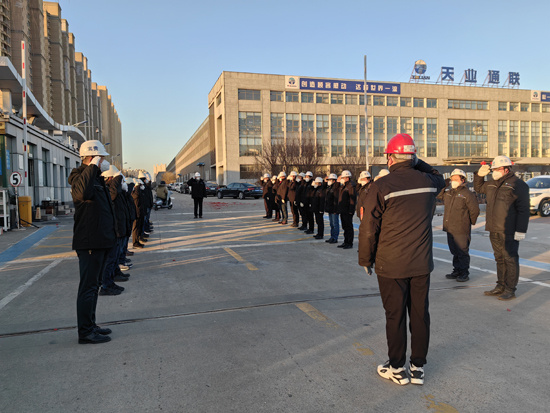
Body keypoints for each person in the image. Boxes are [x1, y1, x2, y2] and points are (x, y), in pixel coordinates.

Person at [358, 133, 445, 386]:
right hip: (421, 263)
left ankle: (397, 368)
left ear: (390, 157)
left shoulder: (382, 186)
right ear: (413, 157)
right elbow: (439, 176)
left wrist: (366, 259)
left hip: (391, 264)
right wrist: (416, 162)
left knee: (395, 316)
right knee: (419, 315)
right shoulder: (428, 182)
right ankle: (417, 368)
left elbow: (368, 228)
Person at [68, 140, 116, 344]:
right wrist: (93, 166)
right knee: (87, 288)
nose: (104, 161)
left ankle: (91, 324)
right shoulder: (80, 177)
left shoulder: (95, 178)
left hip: (100, 241)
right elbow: (82, 193)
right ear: (92, 157)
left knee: (94, 286)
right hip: (89, 242)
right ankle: (85, 332)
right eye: (101, 157)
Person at [474, 156, 530, 300]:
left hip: (508, 230)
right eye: (493, 169)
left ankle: (510, 289)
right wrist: (479, 175)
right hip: (493, 228)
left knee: (510, 259)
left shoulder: (518, 185)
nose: (495, 171)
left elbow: (523, 210)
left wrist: (521, 230)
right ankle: (500, 286)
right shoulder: (492, 184)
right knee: (499, 258)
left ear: (506, 169)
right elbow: (478, 188)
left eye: (497, 169)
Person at [439, 169, 480, 282]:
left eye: (456, 179)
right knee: (454, 251)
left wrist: (468, 222)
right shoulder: (449, 193)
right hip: (450, 227)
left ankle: (464, 273)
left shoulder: (467, 194)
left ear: (463, 180)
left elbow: (475, 210)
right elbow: (439, 195)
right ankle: (456, 270)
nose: (453, 181)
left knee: (462, 251)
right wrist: (444, 185)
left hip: (461, 228)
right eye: (452, 179)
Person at [100, 165, 130, 296]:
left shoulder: (116, 191)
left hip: (119, 227)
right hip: (114, 228)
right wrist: (117, 180)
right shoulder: (108, 189)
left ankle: (112, 278)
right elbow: (112, 195)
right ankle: (106, 285)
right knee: (110, 259)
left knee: (115, 257)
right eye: (118, 180)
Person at [337, 170, 356, 249]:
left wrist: (351, 210)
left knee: (348, 227)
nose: (342, 179)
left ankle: (349, 242)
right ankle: (346, 241)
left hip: (348, 210)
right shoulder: (344, 186)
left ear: (347, 178)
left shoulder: (351, 186)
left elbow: (352, 199)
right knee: (344, 226)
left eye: (343, 178)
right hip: (343, 210)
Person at [324, 173, 340, 244]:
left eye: (330, 180)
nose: (329, 181)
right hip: (330, 208)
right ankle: (332, 237)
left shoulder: (336, 188)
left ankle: (335, 237)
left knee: (335, 224)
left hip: (334, 209)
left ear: (334, 180)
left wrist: (336, 209)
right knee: (331, 224)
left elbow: (336, 200)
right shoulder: (330, 187)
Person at [132, 178, 147, 248]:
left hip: (140, 212)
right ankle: (135, 242)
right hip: (136, 213)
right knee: (136, 228)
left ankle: (138, 240)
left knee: (139, 227)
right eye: (140, 185)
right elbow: (136, 196)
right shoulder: (134, 193)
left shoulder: (139, 192)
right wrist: (137, 187)